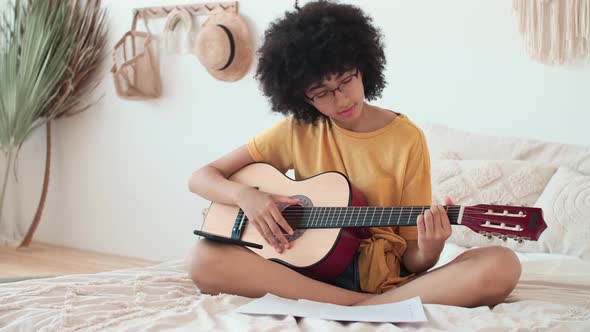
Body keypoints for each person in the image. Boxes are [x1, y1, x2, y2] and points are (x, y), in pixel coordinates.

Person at [185, 0, 521, 307]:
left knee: (502, 264)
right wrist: (245, 196)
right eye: (322, 92)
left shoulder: (407, 139)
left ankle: (358, 304)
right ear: (303, 98)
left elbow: (413, 260)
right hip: (301, 267)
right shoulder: (297, 131)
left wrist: (431, 246)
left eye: (346, 80)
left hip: (375, 277)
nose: (341, 99)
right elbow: (201, 177)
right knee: (202, 258)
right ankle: (357, 307)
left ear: (364, 66)